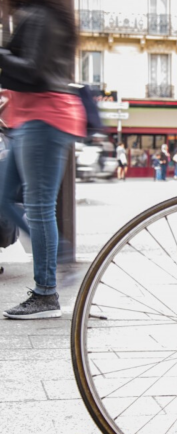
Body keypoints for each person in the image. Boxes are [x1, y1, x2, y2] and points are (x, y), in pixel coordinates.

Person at [0, 0, 86, 319]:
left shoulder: (40, 15)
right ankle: (58, 252)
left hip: (44, 119)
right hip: (28, 119)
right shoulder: (38, 15)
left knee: (38, 207)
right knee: (4, 198)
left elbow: (32, 68)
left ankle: (46, 294)